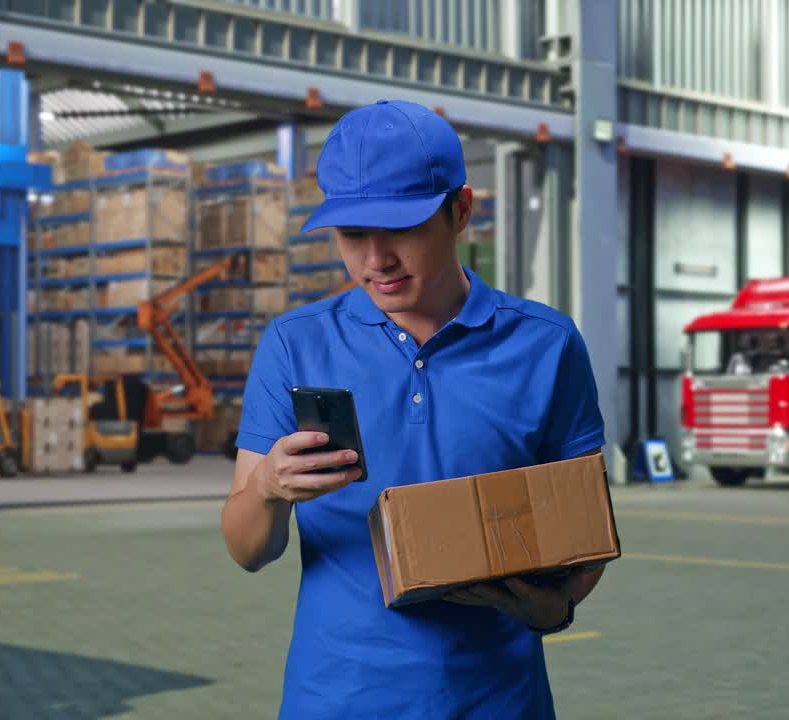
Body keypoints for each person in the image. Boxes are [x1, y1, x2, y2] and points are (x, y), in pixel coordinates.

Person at [220, 100, 608, 719]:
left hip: (498, 702)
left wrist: (555, 607)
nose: (377, 260)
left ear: (461, 211)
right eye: (353, 235)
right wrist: (267, 486)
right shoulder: (297, 344)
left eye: (400, 229)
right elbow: (247, 551)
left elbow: (582, 529)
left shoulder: (546, 346)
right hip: (338, 701)